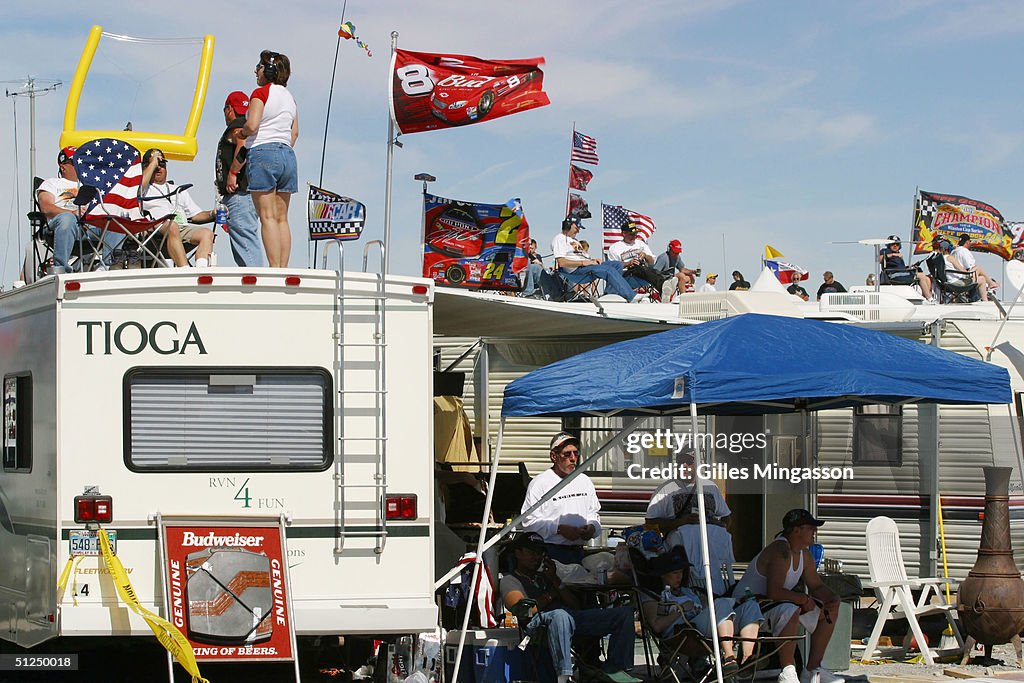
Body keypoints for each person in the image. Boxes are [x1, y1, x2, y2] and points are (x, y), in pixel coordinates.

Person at [499, 532, 641, 683]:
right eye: (531, 552)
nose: (536, 556)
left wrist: (555, 580)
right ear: (518, 553)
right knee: (559, 615)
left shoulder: (546, 576)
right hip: (539, 627)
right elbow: (523, 611)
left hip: (569, 619)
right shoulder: (510, 580)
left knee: (623, 614)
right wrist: (551, 595)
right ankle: (564, 676)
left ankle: (616, 669)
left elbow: (575, 605)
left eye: (540, 552)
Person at [733, 509, 840, 683]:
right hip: (748, 607)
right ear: (797, 530)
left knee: (831, 608)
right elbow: (774, 592)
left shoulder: (805, 554)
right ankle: (787, 670)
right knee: (791, 609)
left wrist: (832, 598)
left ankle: (813, 669)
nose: (815, 532)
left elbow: (816, 585)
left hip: (770, 605)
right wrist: (804, 600)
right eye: (811, 528)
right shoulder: (780, 550)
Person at [640, 552, 763, 674]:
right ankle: (729, 657)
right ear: (663, 575)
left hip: (703, 628)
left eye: (682, 572)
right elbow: (656, 626)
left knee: (750, 605)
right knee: (721, 603)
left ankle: (747, 658)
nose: (680, 576)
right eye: (675, 573)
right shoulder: (653, 596)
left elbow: (708, 609)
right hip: (684, 632)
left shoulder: (689, 591)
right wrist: (681, 609)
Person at [234, 50, 298, 268]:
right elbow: (294, 133)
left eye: (259, 66)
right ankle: (283, 267)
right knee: (282, 218)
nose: (256, 70)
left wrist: (240, 134)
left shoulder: (260, 93)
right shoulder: (290, 98)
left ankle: (274, 270)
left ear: (269, 70)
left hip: (263, 153)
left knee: (267, 217)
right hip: (287, 155)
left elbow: (252, 125)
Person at [37, 146, 124, 272]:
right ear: (63, 166)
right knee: (68, 219)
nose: (80, 164)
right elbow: (46, 207)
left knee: (115, 219)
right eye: (75, 162)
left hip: (89, 226)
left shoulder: (93, 184)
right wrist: (72, 213)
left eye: (82, 161)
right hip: (60, 226)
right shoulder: (52, 183)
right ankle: (61, 267)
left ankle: (107, 266)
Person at [521, 432, 602, 565]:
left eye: (576, 453)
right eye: (567, 454)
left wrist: (592, 527)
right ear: (554, 456)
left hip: (579, 552)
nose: (573, 458)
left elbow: (593, 513)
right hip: (551, 552)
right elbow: (528, 523)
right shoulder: (540, 483)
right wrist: (558, 529)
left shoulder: (585, 481)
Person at [139, 149, 216, 267]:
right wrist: (152, 163)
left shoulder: (178, 189)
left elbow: (196, 215)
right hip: (155, 227)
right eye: (155, 165)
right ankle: (184, 269)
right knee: (172, 226)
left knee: (207, 233)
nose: (158, 168)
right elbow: (139, 186)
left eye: (162, 164)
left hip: (181, 227)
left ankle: (201, 269)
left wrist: (213, 213)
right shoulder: (142, 188)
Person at [216, 90, 264, 267]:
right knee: (248, 238)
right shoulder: (251, 124)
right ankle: (254, 277)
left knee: (245, 241)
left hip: (239, 195)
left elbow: (242, 144)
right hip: (251, 194)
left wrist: (232, 173)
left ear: (229, 109)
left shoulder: (237, 126)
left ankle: (256, 282)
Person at [551, 217, 645, 303]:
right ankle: (631, 296)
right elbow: (562, 262)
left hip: (587, 266)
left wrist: (592, 260)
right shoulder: (559, 239)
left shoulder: (574, 240)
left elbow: (582, 257)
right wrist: (583, 263)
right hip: (576, 271)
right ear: (569, 226)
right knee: (608, 270)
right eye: (577, 228)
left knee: (617, 265)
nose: (578, 231)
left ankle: (610, 294)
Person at [645, 447, 731, 535]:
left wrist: (716, 528)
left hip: (709, 543)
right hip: (679, 545)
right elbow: (650, 522)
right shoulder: (664, 489)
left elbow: (726, 517)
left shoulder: (711, 487)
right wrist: (680, 522)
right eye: (680, 462)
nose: (684, 465)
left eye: (689, 461)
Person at [606, 222, 667, 292]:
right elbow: (612, 267)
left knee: (651, 270)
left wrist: (645, 255)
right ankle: (663, 286)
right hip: (625, 274)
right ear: (624, 233)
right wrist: (629, 263)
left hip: (643, 272)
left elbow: (651, 262)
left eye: (635, 234)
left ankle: (665, 286)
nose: (634, 237)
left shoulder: (640, 244)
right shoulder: (615, 247)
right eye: (631, 234)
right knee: (637, 268)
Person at [936, 237, 989, 302]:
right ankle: (985, 301)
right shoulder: (950, 257)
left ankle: (974, 297)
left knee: (977, 272)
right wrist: (969, 272)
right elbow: (962, 270)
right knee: (982, 278)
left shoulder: (940, 259)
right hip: (956, 284)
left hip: (947, 283)